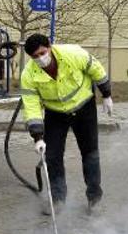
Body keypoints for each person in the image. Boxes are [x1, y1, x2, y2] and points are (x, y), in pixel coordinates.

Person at [20, 34, 113, 215]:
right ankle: (58, 200)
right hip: (55, 113)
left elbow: (96, 70)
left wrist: (107, 95)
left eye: (42, 53)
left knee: (90, 154)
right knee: (52, 156)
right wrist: (37, 137)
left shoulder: (73, 54)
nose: (40, 59)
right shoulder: (28, 74)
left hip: (84, 107)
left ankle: (95, 200)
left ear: (50, 47)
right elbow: (31, 106)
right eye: (35, 57)